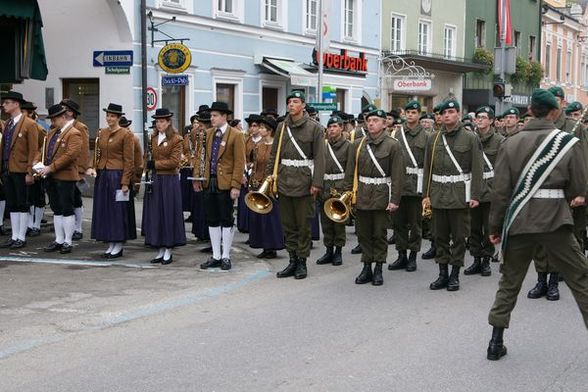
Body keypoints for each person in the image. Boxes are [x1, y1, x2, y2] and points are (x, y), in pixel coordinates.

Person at [486, 88, 588, 361]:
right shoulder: (567, 142)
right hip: (555, 220)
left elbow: (500, 193)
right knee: (581, 279)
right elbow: (578, 186)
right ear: (555, 112)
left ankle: (495, 342)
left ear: (530, 111)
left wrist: (494, 228)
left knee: (509, 281)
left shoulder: (510, 142)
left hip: (518, 221)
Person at [422, 99, 484, 291]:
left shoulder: (470, 138)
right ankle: (442, 274)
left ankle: (455, 274)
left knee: (458, 237)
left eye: (450, 112)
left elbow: (477, 169)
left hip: (459, 194)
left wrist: (475, 195)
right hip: (438, 194)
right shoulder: (433, 138)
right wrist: (426, 194)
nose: (446, 115)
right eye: (443, 113)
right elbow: (427, 169)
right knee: (439, 236)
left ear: (457, 113)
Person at [266, 91, 325, 280]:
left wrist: (316, 183)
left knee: (303, 225)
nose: (291, 105)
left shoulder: (315, 128)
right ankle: (292, 260)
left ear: (303, 105)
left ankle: (302, 262)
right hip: (284, 181)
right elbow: (274, 155)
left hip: (304, 182)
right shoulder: (282, 126)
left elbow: (320, 158)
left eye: (295, 101)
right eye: (289, 101)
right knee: (288, 225)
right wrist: (270, 178)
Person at [351, 109, 404, 285]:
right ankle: (366, 266)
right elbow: (351, 172)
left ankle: (379, 267)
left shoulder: (393, 145)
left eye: (375, 120)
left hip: (382, 194)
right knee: (364, 233)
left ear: (384, 123)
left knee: (379, 234)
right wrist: (348, 195)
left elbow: (397, 175)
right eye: (369, 120)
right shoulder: (357, 144)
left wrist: (395, 200)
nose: (371, 123)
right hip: (363, 194)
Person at [194, 102, 246, 271]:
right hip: (210, 181)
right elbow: (201, 157)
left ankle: (226, 256)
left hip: (226, 183)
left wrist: (236, 185)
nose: (212, 118)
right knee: (212, 219)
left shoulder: (236, 135)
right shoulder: (208, 133)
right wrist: (198, 178)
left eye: (215, 115)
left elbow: (239, 162)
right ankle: (216, 255)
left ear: (225, 117)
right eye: (211, 115)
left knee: (227, 219)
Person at [88, 103, 135, 258]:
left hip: (117, 174)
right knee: (105, 210)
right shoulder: (102, 133)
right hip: (103, 174)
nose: (109, 118)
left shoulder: (125, 135)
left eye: (113, 116)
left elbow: (129, 160)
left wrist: (125, 182)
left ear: (119, 118)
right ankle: (110, 243)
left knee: (117, 212)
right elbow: (97, 154)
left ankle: (118, 244)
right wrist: (92, 167)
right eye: (108, 115)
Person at [34, 104, 82, 253]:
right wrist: (36, 162)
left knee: (67, 208)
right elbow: (43, 150)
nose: (52, 122)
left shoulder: (74, 133)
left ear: (63, 117)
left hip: (65, 176)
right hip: (51, 176)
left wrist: (51, 167)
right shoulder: (52, 133)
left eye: (54, 119)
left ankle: (68, 241)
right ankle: (59, 239)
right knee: (56, 209)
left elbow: (69, 156)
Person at [142, 108, 186, 264]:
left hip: (169, 180)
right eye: (157, 122)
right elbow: (147, 157)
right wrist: (145, 167)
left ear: (168, 122)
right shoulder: (153, 138)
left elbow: (174, 162)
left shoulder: (176, 139)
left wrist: (154, 164)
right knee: (156, 214)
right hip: (155, 179)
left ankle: (168, 249)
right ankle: (159, 248)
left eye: (162, 121)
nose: (159, 124)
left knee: (168, 213)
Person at [464, 106, 504, 277]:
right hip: (473, 187)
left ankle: (486, 259)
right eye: (477, 117)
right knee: (473, 226)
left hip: (490, 189)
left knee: (488, 227)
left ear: (491, 121)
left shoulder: (500, 141)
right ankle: (476, 259)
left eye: (483, 117)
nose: (479, 120)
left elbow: (504, 168)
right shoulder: (469, 139)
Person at [388, 100, 428, 272]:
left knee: (415, 224)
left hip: (416, 186)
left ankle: (413, 256)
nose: (410, 115)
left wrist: (426, 191)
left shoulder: (426, 136)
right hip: (399, 185)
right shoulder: (396, 134)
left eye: (414, 112)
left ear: (419, 115)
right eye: (408, 112)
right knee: (398, 223)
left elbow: (428, 164)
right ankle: (401, 255)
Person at [0, 91, 39, 249]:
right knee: (12, 203)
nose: (4, 105)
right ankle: (15, 235)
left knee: (22, 203)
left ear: (16, 104)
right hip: (8, 169)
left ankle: (21, 237)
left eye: (7, 102)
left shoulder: (29, 124)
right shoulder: (8, 123)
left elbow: (34, 150)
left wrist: (30, 172)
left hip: (22, 169)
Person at [316, 115, 353, 266]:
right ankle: (328, 250)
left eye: (335, 126)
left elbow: (350, 169)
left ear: (341, 128)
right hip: (325, 185)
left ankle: (338, 251)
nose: (332, 130)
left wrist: (347, 189)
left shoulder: (348, 146)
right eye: (330, 127)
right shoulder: (323, 145)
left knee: (338, 223)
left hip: (340, 186)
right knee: (325, 222)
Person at [247, 116, 285, 259]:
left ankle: (272, 246)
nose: (260, 130)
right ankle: (263, 245)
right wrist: (252, 184)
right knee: (259, 218)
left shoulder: (277, 146)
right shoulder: (258, 146)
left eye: (263, 128)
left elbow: (280, 165)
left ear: (270, 131)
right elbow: (255, 166)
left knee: (271, 218)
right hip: (258, 184)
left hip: (270, 186)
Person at [60, 98, 90, 241]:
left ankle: (78, 228)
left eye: (64, 109)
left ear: (71, 113)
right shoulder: (60, 126)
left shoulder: (80, 127)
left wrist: (82, 170)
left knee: (76, 199)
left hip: (76, 169)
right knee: (67, 199)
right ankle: (68, 227)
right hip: (63, 170)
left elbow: (84, 151)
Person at [21, 101, 47, 237]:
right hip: (23, 165)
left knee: (38, 195)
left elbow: (45, 145)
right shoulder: (19, 126)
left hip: (36, 166)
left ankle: (36, 225)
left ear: (30, 113)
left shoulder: (37, 127)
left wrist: (37, 160)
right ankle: (30, 224)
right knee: (27, 197)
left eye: (24, 111)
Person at [189, 106, 211, 243]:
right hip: (200, 173)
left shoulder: (213, 136)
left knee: (208, 207)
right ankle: (201, 232)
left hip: (210, 175)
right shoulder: (197, 134)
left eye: (202, 125)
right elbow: (197, 156)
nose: (199, 127)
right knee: (200, 205)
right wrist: (196, 175)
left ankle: (209, 236)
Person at [238, 114, 262, 234]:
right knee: (245, 199)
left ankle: (256, 228)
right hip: (247, 173)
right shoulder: (246, 140)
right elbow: (241, 157)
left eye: (255, 126)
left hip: (258, 174)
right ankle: (245, 226)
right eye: (250, 126)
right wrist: (243, 172)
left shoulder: (263, 141)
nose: (252, 128)